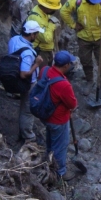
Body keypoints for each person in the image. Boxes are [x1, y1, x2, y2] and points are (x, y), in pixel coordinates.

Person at [60, 0, 101, 98]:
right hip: (84, 37)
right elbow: (63, 12)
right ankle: (89, 81)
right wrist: (73, 25)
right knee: (85, 60)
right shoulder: (77, 1)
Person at [39, 51, 79, 182]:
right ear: (66, 65)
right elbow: (72, 104)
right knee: (60, 146)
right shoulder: (63, 84)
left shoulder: (45, 71)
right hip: (58, 120)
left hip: (45, 115)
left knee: (50, 140)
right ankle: (59, 172)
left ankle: (48, 162)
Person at [8, 20, 44, 143]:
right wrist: (37, 64)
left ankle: (22, 132)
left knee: (24, 106)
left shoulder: (14, 39)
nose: (37, 36)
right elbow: (24, 74)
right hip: (27, 83)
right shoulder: (28, 53)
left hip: (14, 76)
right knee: (28, 110)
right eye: (37, 34)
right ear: (32, 35)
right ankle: (28, 136)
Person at [26, 0, 62, 67]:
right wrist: (52, 25)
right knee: (42, 74)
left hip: (46, 50)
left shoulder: (43, 12)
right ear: (47, 7)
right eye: (53, 8)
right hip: (40, 51)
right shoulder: (36, 18)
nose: (54, 10)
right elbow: (46, 38)